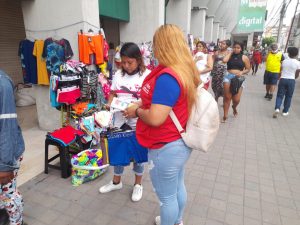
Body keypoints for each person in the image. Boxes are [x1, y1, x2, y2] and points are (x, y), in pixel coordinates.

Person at [125, 24, 200, 225]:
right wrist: (142, 103)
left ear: (163, 45)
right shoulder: (184, 70)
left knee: (167, 198)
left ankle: (172, 221)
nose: (153, 49)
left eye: (155, 44)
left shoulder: (168, 76)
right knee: (177, 186)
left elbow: (156, 118)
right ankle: (178, 221)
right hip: (179, 142)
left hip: (165, 146)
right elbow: (166, 103)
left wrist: (136, 111)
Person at [99, 43, 150, 202]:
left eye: (130, 62)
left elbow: (150, 99)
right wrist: (109, 105)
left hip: (139, 124)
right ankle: (116, 182)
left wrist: (135, 107)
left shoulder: (147, 75)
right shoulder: (118, 75)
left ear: (139, 60)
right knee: (118, 153)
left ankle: (138, 185)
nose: (126, 66)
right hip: (119, 122)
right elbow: (113, 93)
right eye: (124, 62)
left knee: (139, 155)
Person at [0, 69, 25, 225]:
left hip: (5, 154)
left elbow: (7, 127)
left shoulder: (2, 83)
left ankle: (17, 222)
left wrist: (5, 165)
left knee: (9, 195)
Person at [222, 42, 251, 122]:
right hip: (228, 77)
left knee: (236, 100)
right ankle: (225, 116)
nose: (236, 49)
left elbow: (248, 69)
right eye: (234, 47)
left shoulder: (244, 57)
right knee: (227, 97)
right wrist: (230, 53)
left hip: (239, 78)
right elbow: (224, 60)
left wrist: (242, 72)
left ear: (241, 49)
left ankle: (234, 107)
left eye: (238, 48)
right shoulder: (229, 55)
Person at [273, 47, 300, 118]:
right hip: (291, 80)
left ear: (288, 53)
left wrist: (279, 78)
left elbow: (280, 71)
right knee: (289, 96)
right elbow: (297, 74)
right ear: (296, 54)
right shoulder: (298, 63)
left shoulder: (284, 61)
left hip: (283, 79)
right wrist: (294, 78)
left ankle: (277, 108)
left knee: (279, 95)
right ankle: (285, 111)